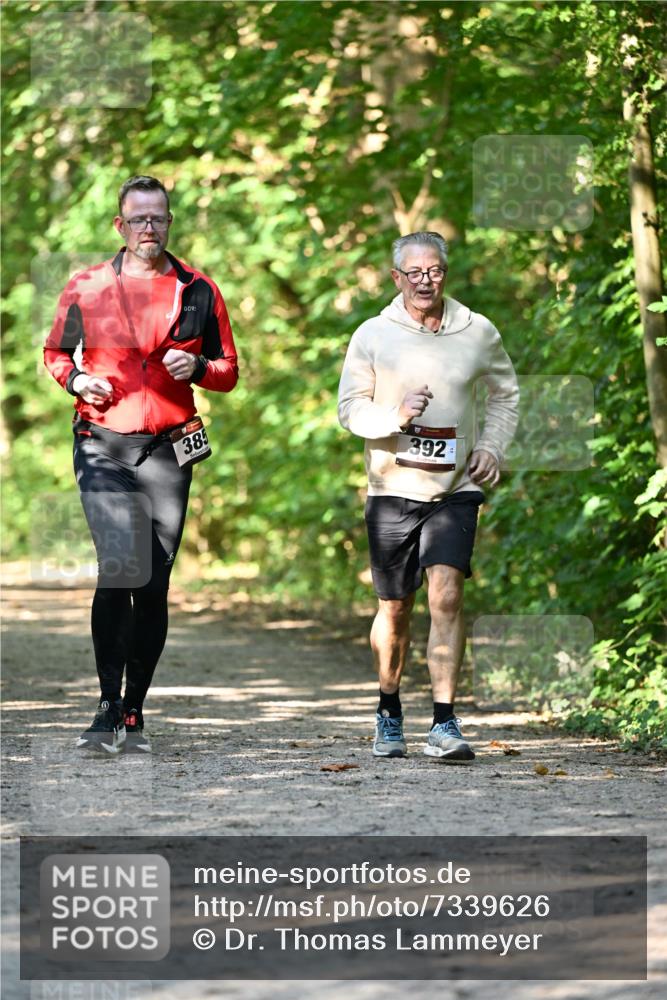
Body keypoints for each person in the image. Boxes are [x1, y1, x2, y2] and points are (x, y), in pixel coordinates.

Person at [44, 175, 239, 755]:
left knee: (153, 585)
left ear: (169, 222)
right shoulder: (86, 286)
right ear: (119, 226)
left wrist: (198, 371)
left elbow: (228, 368)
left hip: (170, 449)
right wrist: (78, 378)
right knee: (120, 565)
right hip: (102, 441)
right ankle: (105, 706)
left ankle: (134, 712)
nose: (148, 229)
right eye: (138, 219)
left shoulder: (199, 289)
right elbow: (55, 354)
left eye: (158, 218)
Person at [338, 231, 518, 762]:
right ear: (397, 278)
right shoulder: (373, 334)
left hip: (456, 488)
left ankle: (444, 721)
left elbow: (505, 393)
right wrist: (393, 417)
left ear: (445, 272)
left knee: (447, 596)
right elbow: (349, 409)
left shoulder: (476, 330)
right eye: (414, 273)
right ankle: (389, 709)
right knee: (395, 607)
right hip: (393, 487)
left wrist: (492, 446)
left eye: (434, 270)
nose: (425, 281)